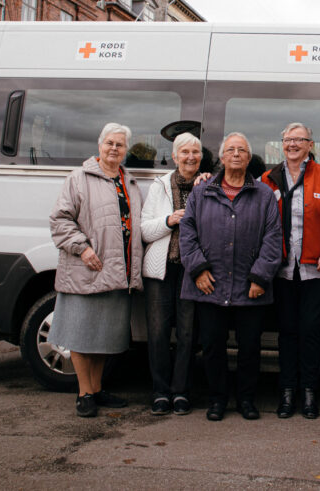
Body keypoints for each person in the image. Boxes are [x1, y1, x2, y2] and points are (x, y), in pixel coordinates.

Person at [179, 132, 282, 421]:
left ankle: (247, 400)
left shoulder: (264, 194)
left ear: (249, 159)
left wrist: (261, 277)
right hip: (209, 286)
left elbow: (273, 238)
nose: (236, 154)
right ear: (222, 157)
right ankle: (217, 400)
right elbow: (187, 234)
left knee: (250, 348)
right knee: (213, 347)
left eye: (242, 150)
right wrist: (198, 270)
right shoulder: (201, 192)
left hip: (250, 286)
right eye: (230, 150)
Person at [49, 122, 144, 418]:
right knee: (81, 334)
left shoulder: (129, 182)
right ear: (99, 146)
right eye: (110, 143)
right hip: (87, 268)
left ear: (126, 151)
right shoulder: (79, 178)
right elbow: (60, 220)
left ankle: (98, 388)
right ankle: (84, 393)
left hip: (118, 271)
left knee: (102, 338)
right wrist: (83, 248)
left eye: (120, 144)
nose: (114, 148)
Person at [260, 123, 320, 419]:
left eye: (299, 140)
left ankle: (309, 391)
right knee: (287, 332)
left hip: (315, 269)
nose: (293, 144)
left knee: (310, 332)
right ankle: (286, 392)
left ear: (311, 145)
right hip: (281, 270)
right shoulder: (268, 179)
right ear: (281, 144)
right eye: (288, 140)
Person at [140, 132, 205, 416]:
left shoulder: (208, 185)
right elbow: (144, 230)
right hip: (161, 270)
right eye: (185, 152)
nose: (190, 157)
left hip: (192, 271)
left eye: (195, 152)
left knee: (188, 334)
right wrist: (169, 220)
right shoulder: (160, 186)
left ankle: (181, 392)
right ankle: (160, 392)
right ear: (175, 156)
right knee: (157, 333)